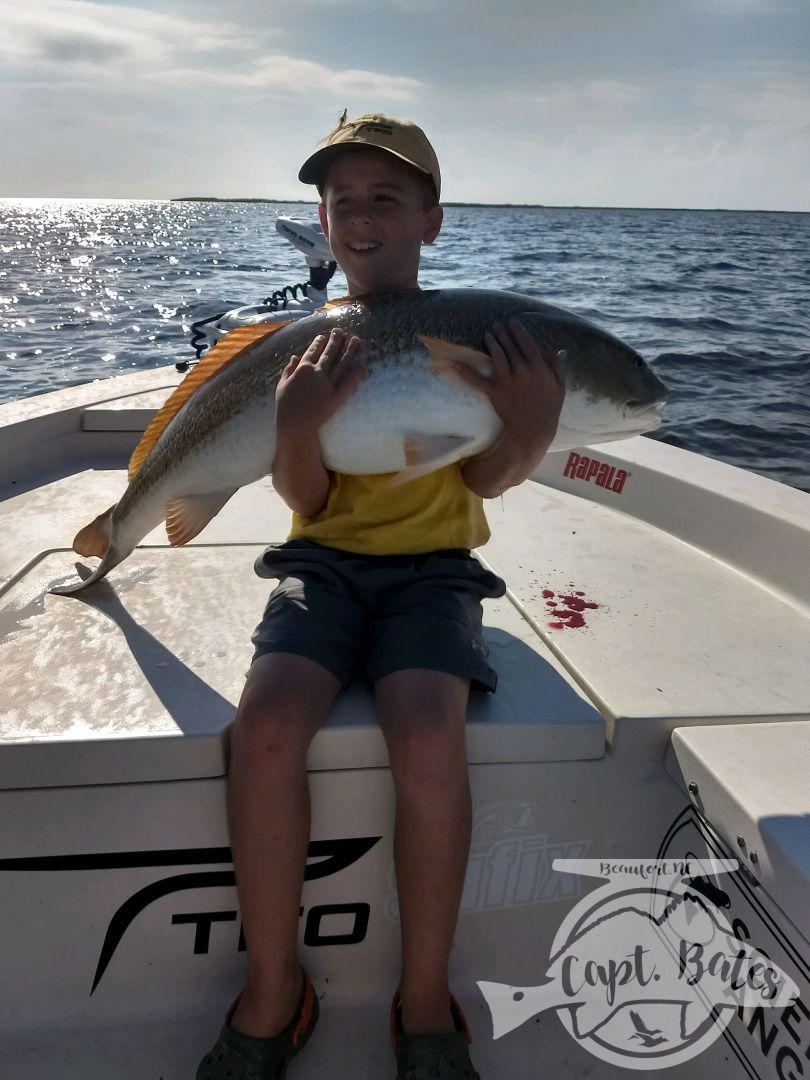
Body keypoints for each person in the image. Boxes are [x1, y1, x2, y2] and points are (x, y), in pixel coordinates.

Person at [196, 112, 565, 1080]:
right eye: (342, 202)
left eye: (386, 200)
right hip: (321, 568)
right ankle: (276, 988)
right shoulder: (306, 348)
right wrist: (293, 426)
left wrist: (526, 431)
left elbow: (483, 483)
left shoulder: (472, 334)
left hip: (434, 573)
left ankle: (422, 997)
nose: (361, 218)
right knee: (266, 727)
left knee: (430, 737)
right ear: (321, 223)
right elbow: (307, 501)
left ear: (431, 220)